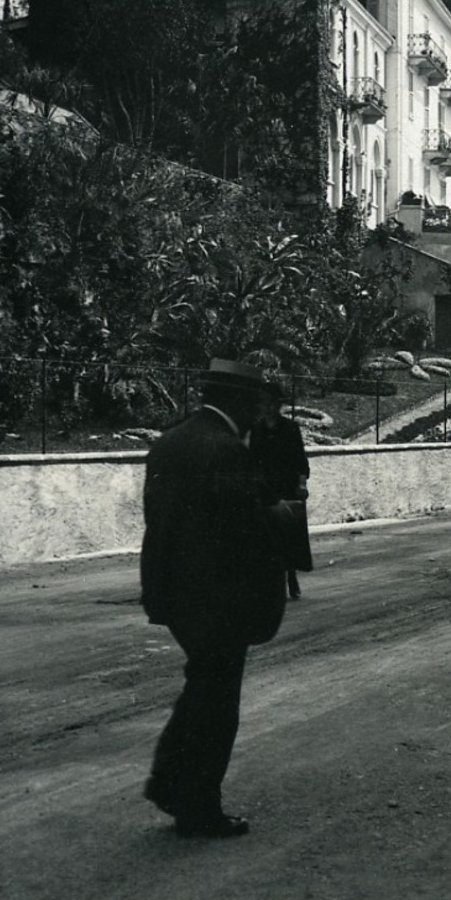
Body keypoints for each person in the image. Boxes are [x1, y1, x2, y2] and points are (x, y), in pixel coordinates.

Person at [140, 358, 291, 838]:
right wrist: (281, 515)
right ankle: (198, 807)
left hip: (175, 591)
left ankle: (170, 783)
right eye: (257, 402)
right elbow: (249, 529)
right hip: (220, 598)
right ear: (240, 402)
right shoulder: (227, 452)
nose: (260, 413)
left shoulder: (171, 442)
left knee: (201, 687)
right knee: (216, 701)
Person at [249, 385, 312, 600]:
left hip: (286, 487)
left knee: (288, 535)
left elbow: (300, 461)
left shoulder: (290, 429)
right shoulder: (256, 430)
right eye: (264, 403)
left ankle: (291, 577)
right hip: (264, 489)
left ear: (278, 405)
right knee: (265, 537)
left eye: (272, 403)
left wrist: (302, 484)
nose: (268, 407)